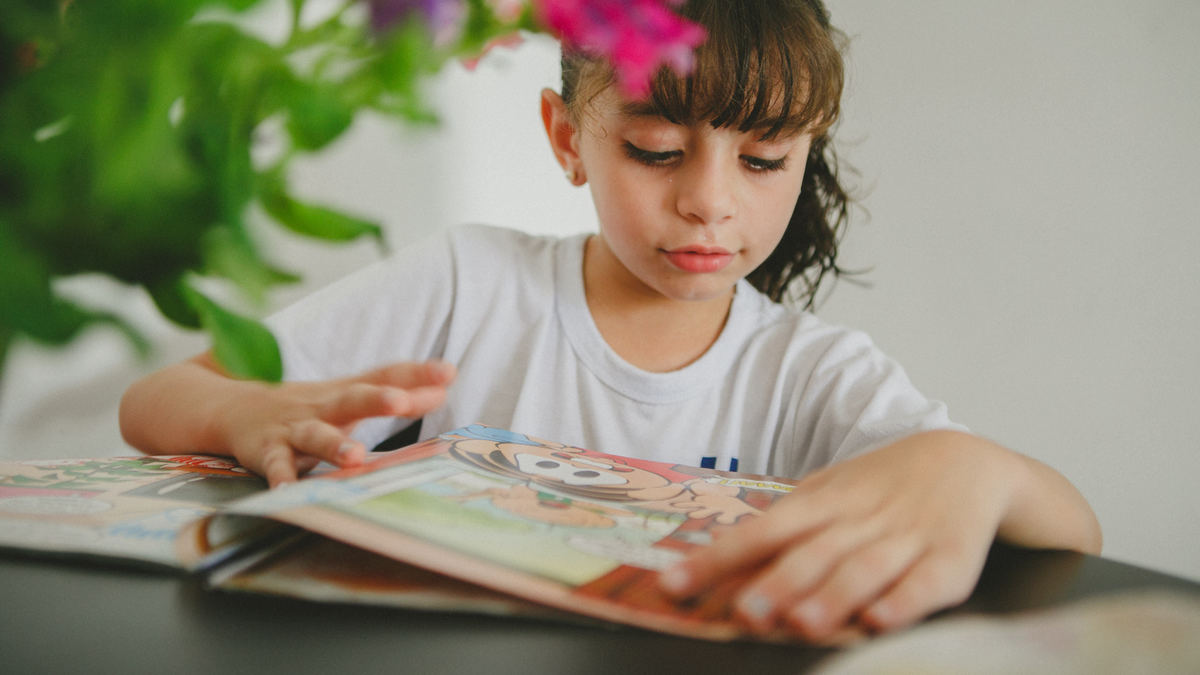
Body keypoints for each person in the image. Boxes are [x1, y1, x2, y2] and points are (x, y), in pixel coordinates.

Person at [120, 0, 1101, 643]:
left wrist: (974, 468)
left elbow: (1075, 537)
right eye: (657, 149)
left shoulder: (811, 374)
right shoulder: (473, 282)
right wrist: (248, 419)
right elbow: (160, 399)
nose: (712, 203)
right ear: (568, 138)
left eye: (763, 161)